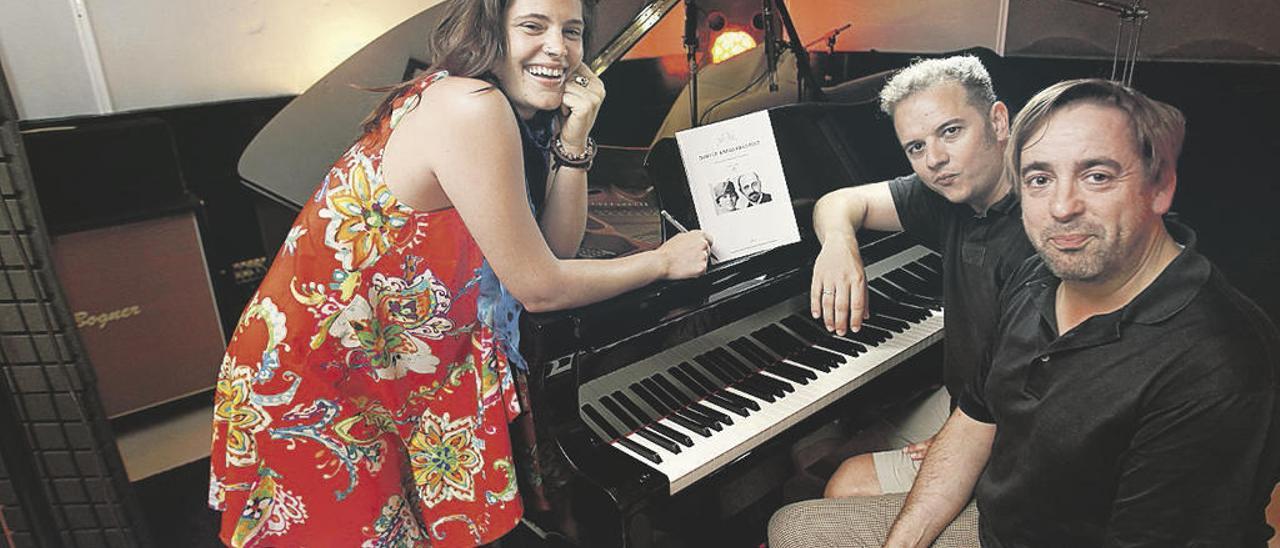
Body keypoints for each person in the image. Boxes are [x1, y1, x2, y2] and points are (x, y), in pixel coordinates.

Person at [207, 0, 711, 546]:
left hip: (381, 374)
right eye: (533, 26)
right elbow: (541, 287)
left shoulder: (482, 101)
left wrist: (575, 133)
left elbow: (552, 250)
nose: (559, 48)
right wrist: (662, 261)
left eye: (572, 32)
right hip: (322, 382)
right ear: (492, 29)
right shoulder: (470, 106)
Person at [774, 78, 1280, 547]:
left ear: (1160, 186)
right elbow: (977, 419)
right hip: (1002, 515)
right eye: (1039, 179)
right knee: (794, 527)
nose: (1062, 208)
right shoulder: (1042, 281)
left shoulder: (1218, 363)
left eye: (1097, 175)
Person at [805, 55, 1035, 500]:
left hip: (1015, 433)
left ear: (999, 121)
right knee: (832, 452)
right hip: (966, 399)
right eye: (915, 147)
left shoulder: (1044, 219)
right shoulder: (946, 194)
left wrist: (963, 445)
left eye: (951, 131)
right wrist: (838, 244)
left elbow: (1057, 389)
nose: (935, 160)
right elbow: (839, 201)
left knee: (845, 484)